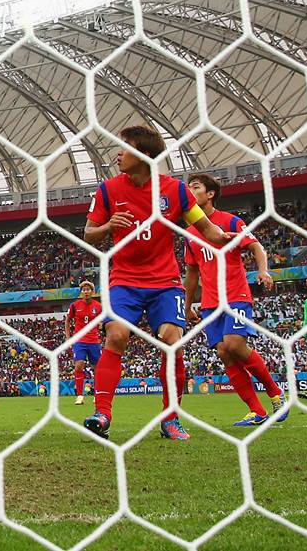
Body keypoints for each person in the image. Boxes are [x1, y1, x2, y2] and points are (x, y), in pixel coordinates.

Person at [82, 125, 231, 441]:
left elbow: (205, 227)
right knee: (117, 335)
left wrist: (226, 238)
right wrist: (108, 225)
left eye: (124, 148)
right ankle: (102, 414)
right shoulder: (108, 190)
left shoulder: (175, 190)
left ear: (145, 154)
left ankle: (171, 418)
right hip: (124, 280)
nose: (118, 154)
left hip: (165, 282)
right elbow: (89, 234)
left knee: (170, 339)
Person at [182, 174, 287, 426]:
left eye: (195, 187)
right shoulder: (188, 232)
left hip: (236, 295)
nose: (190, 190)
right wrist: (187, 306)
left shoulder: (230, 221)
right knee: (224, 353)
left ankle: (276, 393)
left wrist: (263, 270)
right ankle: (257, 411)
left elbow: (256, 247)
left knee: (235, 345)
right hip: (209, 303)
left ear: (210, 194)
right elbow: (192, 272)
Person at [65, 280, 103, 405]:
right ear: (81, 292)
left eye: (88, 290)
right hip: (80, 340)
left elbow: (103, 322)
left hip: (94, 341)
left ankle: (97, 395)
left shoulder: (98, 306)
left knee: (97, 368)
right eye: (84, 290)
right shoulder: (75, 305)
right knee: (79, 365)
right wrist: (68, 337)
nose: (86, 292)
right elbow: (68, 321)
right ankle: (80, 396)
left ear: (92, 292)